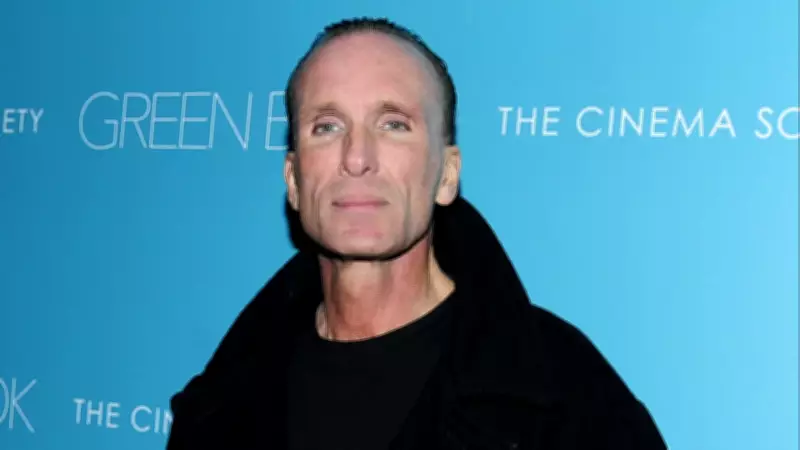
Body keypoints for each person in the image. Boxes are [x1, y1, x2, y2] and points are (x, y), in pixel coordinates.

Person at [166, 17, 668, 450]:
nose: (356, 158)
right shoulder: (220, 404)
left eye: (393, 124)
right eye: (327, 126)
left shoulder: (566, 393)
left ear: (447, 175)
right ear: (294, 180)